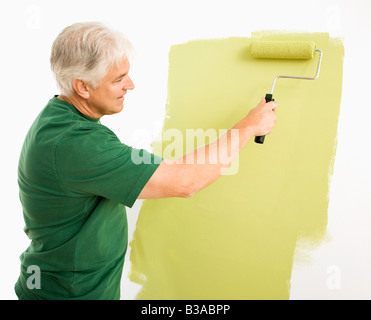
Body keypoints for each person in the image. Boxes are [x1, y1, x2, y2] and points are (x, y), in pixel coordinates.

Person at [15, 22, 277, 300]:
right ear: (82, 87)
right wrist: (248, 126)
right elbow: (185, 181)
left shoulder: (58, 117)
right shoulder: (77, 144)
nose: (130, 85)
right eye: (118, 79)